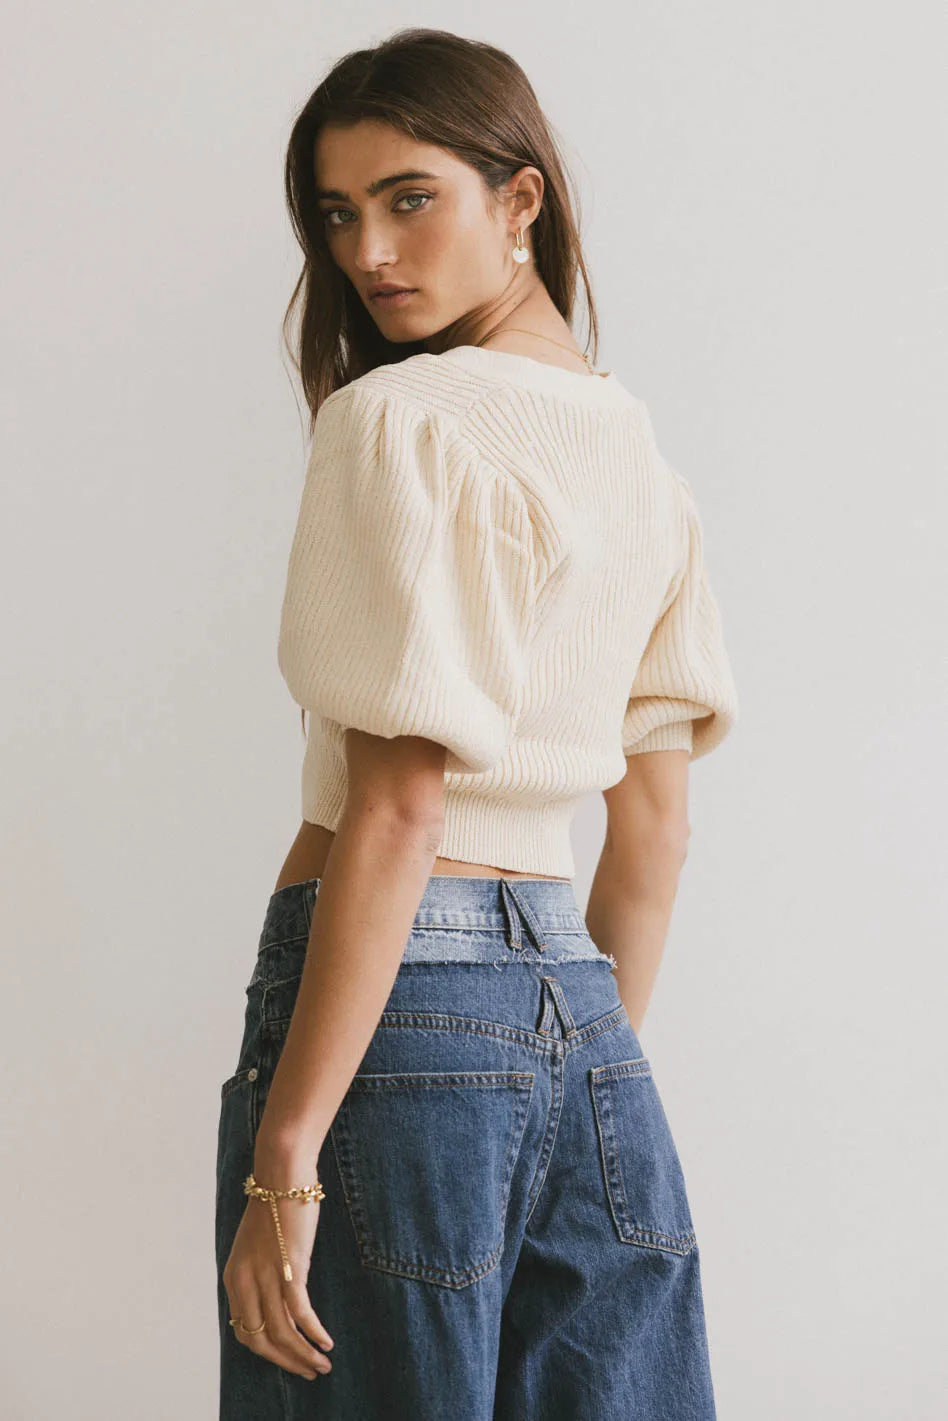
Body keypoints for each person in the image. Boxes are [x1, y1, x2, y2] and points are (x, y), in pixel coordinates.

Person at [215, 26, 739, 1420]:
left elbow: (398, 805)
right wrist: (567, 1069)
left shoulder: (404, 421)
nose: (370, 252)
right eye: (338, 216)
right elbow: (656, 834)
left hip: (395, 1009)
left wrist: (286, 1159)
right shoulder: (647, 469)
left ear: (521, 199)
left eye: (410, 199)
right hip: (587, 1015)